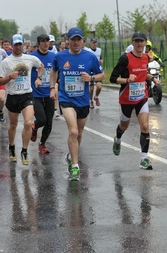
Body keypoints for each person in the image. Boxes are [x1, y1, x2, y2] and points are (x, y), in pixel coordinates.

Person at [49, 27, 104, 180]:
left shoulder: (90, 57)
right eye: (73, 39)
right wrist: (52, 87)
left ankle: (71, 155)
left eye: (78, 39)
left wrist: (91, 78)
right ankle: (75, 166)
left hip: (83, 100)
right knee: (73, 131)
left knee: (79, 133)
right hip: (66, 99)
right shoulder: (60, 56)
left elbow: (102, 74)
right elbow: (53, 71)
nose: (75, 42)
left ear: (82, 41)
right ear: (68, 41)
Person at [109, 32, 160, 170]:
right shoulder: (125, 59)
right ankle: (118, 138)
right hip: (126, 98)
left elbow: (143, 73)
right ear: (132, 43)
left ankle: (144, 158)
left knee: (144, 126)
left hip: (141, 97)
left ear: (145, 43)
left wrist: (152, 78)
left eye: (142, 41)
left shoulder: (145, 58)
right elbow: (112, 78)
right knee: (124, 126)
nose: (139, 44)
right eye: (136, 41)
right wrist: (126, 80)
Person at [0, 34, 44, 165]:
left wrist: (38, 78)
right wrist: (9, 77)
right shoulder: (6, 62)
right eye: (16, 44)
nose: (18, 47)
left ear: (23, 45)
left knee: (28, 123)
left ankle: (24, 150)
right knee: (13, 125)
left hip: (27, 95)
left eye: (20, 44)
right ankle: (12, 147)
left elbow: (41, 66)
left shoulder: (30, 58)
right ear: (12, 46)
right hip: (13, 96)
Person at [30, 34, 56, 154]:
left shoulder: (53, 56)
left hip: (49, 93)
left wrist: (54, 87)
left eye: (47, 41)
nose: (46, 44)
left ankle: (42, 144)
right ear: (38, 43)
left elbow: (57, 73)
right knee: (42, 119)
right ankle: (35, 127)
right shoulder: (31, 57)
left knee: (49, 122)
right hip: (36, 94)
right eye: (43, 41)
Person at [88, 38, 103, 107]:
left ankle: (96, 97)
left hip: (97, 70)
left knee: (99, 86)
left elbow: (100, 58)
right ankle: (90, 100)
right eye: (93, 42)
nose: (94, 44)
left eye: (95, 42)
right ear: (90, 43)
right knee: (91, 88)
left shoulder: (99, 50)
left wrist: (101, 60)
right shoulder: (88, 51)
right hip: (90, 70)